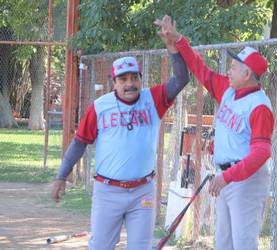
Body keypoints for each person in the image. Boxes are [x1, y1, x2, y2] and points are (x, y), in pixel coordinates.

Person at [51, 27, 189, 249]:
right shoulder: (99, 107)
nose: (130, 84)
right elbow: (79, 142)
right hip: (108, 191)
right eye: (123, 79)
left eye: (134, 78)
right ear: (113, 82)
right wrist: (61, 176)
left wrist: (173, 48)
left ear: (140, 79)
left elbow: (181, 79)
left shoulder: (152, 99)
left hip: (143, 191)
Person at [155, 15, 274, 250]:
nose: (228, 71)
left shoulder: (260, 106)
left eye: (233, 67)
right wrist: (179, 40)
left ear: (247, 74)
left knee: (243, 244)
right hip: (225, 178)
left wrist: (227, 177)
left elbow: (262, 152)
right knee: (224, 244)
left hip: (246, 182)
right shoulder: (229, 91)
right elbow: (200, 69)